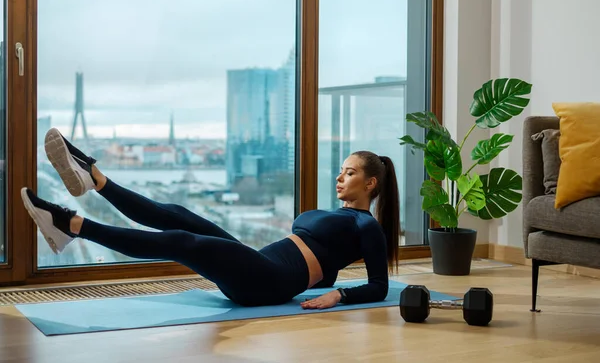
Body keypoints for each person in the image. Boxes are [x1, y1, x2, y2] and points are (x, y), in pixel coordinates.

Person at [21, 128, 400, 310]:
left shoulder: (366, 226)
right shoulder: (338, 216)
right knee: (182, 217)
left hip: (271, 282)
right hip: (260, 264)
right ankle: (96, 179)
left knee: (184, 243)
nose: (339, 177)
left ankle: (70, 226)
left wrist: (337, 294)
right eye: (340, 170)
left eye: (349, 173)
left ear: (370, 183)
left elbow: (380, 287)